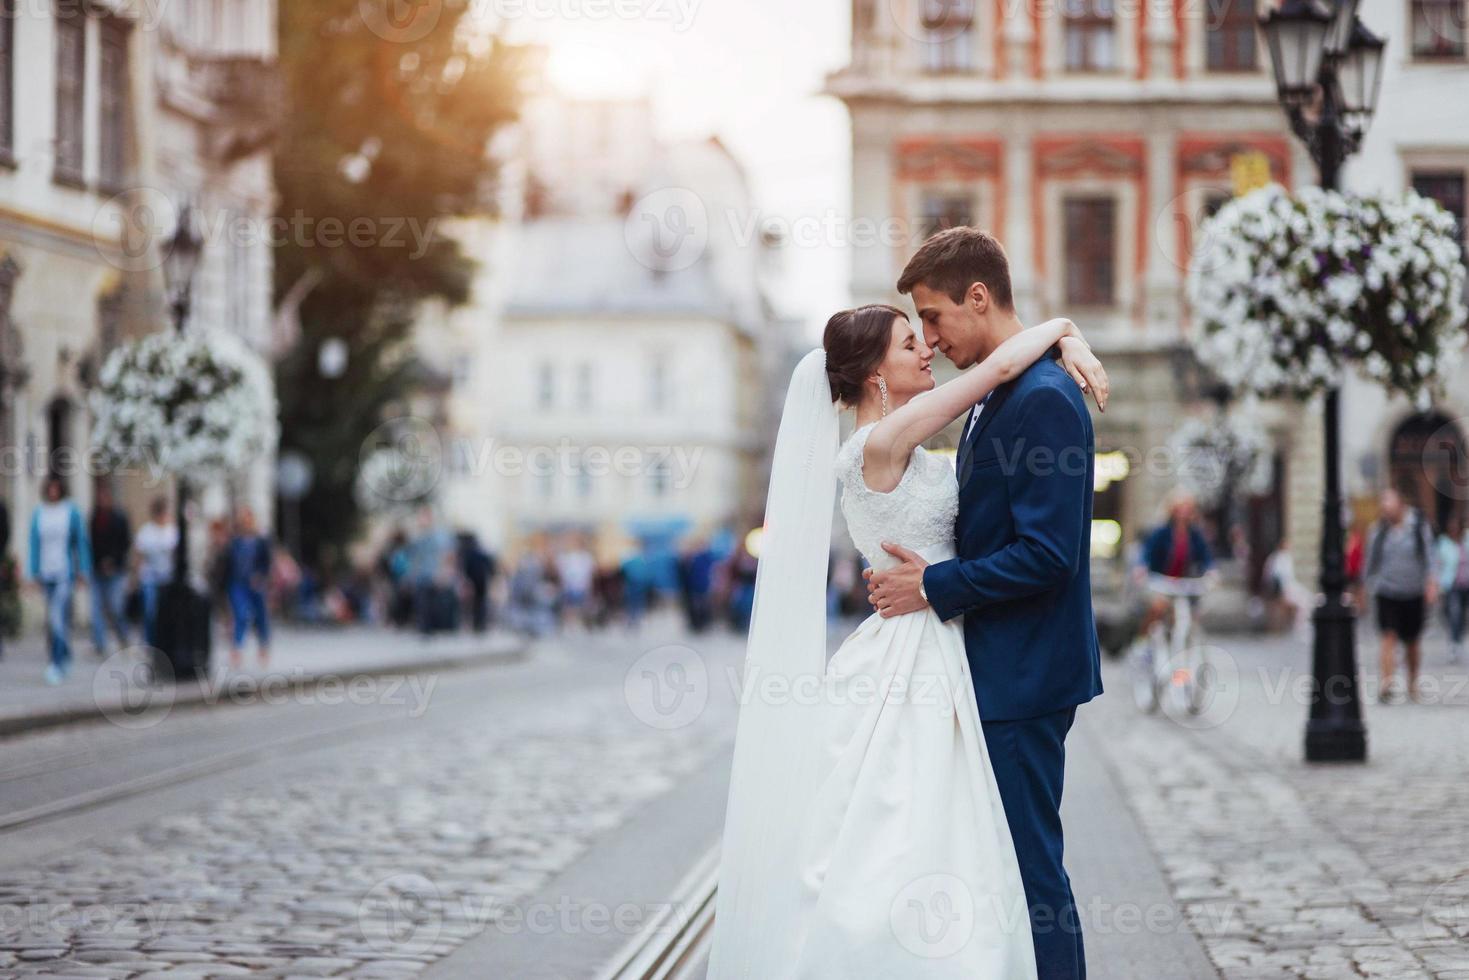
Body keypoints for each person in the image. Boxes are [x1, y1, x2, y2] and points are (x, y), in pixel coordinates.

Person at [708, 232, 1108, 979]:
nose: (927, 342)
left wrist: (931, 584)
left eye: (929, 319)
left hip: (1010, 669)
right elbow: (991, 372)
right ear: (871, 375)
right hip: (947, 665)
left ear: (977, 298)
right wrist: (1063, 331)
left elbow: (1049, 554)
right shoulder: (922, 425)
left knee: (1024, 871)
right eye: (910, 334)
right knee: (954, 852)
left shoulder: (1039, 398)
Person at [1366, 488, 1437, 703]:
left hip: (1413, 591)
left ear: (1400, 503)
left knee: (1412, 640)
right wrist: (1364, 587)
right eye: (1383, 501)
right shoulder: (1379, 530)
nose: (1385, 506)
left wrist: (1431, 583)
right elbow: (1369, 563)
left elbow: (1430, 557)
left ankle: (1412, 682)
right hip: (1387, 591)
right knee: (1388, 636)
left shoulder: (1418, 526)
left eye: (1389, 500)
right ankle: (1386, 682)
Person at [29, 474, 93, 685]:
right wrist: (33, 572)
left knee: (58, 617)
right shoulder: (40, 512)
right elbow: (35, 544)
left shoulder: (70, 511)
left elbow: (80, 542)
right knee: (54, 620)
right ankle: (64, 654)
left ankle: (56, 662)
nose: (53, 492)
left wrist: (83, 569)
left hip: (64, 571)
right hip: (46, 572)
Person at [1133, 490, 1215, 638]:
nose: (1183, 512)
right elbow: (1147, 552)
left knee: (1191, 614)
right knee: (1158, 607)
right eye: (1180, 508)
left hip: (1184, 583)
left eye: (1187, 508)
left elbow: (1206, 556)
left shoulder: (1195, 534)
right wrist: (1141, 568)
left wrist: (1211, 571)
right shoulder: (1161, 532)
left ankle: (1180, 645)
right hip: (1162, 581)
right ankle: (1143, 642)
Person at [225, 506, 272, 670]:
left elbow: (267, 563)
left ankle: (263, 647)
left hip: (256, 584)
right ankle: (237, 649)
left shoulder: (261, 541)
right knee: (241, 615)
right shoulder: (235, 542)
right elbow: (227, 565)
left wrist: (260, 577)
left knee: (260, 617)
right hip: (238, 584)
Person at [88, 482, 132, 657]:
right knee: (96, 608)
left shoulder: (120, 518)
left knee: (115, 606)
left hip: (116, 570)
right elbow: (90, 543)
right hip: (97, 569)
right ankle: (100, 644)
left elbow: (125, 542)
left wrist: (113, 561)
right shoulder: (94, 518)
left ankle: (123, 636)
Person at [132, 496, 178, 649]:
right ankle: (149, 641)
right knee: (150, 610)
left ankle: (165, 640)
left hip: (168, 577)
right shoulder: (146, 531)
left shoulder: (172, 531)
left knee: (168, 612)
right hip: (150, 577)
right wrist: (136, 577)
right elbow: (139, 555)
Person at [1436, 512, 1469, 664]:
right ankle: (1454, 644)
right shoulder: (1443, 543)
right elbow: (1437, 565)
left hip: (1466, 584)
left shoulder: (1466, 540)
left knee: (1461, 615)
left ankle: (1459, 639)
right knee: (1454, 614)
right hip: (1452, 585)